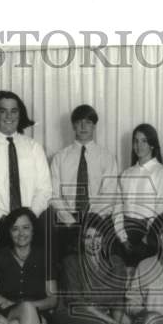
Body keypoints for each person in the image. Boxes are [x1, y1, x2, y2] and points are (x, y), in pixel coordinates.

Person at [49, 212, 130, 324]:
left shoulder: (116, 264)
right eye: (88, 237)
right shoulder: (71, 262)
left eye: (98, 236)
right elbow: (77, 302)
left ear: (105, 238)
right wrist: (109, 321)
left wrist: (116, 323)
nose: (94, 242)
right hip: (70, 314)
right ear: (80, 240)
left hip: (100, 318)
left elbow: (119, 300)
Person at [0, 90, 52, 226]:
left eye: (14, 111)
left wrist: (29, 217)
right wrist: (2, 219)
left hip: (31, 223)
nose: (9, 116)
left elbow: (45, 189)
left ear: (20, 114)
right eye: (3, 111)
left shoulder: (34, 147)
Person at [48, 103, 119, 259]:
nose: (83, 126)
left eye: (88, 122)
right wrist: (70, 221)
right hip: (68, 220)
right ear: (73, 125)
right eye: (79, 122)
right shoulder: (59, 158)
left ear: (94, 126)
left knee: (104, 261)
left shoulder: (107, 157)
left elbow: (109, 194)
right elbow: (53, 194)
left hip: (98, 219)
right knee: (67, 262)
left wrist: (92, 222)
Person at [114, 123, 163, 266]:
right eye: (135, 141)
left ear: (152, 145)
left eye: (144, 141)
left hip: (149, 234)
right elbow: (117, 206)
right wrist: (122, 237)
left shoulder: (161, 172)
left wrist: (147, 238)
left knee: (145, 276)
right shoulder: (126, 174)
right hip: (125, 233)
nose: (138, 145)